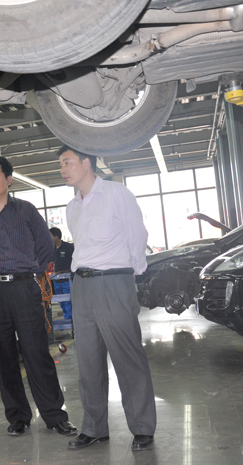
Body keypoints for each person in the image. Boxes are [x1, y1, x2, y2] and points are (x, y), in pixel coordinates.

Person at [0, 155, 77, 437]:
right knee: (3, 355)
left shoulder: (26, 211)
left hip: (24, 288)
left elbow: (46, 247)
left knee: (37, 353)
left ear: (8, 180)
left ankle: (54, 415)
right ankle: (18, 416)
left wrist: (27, 271)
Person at [58, 145, 156, 452]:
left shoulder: (117, 194)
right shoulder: (72, 207)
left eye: (67, 162)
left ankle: (142, 428)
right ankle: (94, 428)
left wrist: (131, 273)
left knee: (128, 358)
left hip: (114, 281)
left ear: (86, 163)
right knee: (88, 362)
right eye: (61, 164)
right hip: (82, 285)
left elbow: (137, 235)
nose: (62, 169)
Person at [49, 227, 74, 321]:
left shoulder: (68, 247)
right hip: (56, 281)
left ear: (56, 236)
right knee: (61, 302)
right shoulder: (52, 249)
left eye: (50, 236)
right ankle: (67, 318)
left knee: (68, 301)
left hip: (67, 280)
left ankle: (71, 321)